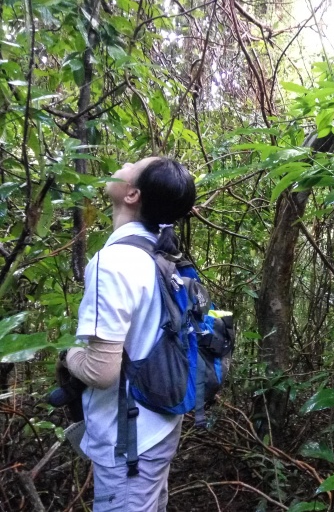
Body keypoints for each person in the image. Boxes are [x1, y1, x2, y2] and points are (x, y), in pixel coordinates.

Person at [58, 157, 196, 511]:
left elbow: (101, 373)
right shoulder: (161, 252)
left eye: (133, 163)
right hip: (158, 425)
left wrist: (67, 354)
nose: (124, 161)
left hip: (130, 441)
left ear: (132, 194)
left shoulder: (115, 262)